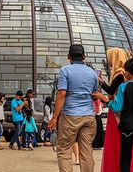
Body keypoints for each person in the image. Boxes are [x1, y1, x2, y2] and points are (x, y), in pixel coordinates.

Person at [94, 58, 133, 172]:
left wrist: (106, 100)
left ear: (126, 72)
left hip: (127, 127)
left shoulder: (123, 86)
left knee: (125, 158)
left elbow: (117, 107)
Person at [48, 44, 99, 172]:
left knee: (64, 150)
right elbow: (94, 95)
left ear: (68, 57)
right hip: (88, 116)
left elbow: (61, 94)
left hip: (70, 116)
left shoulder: (65, 71)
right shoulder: (93, 74)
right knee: (86, 151)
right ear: (84, 57)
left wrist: (54, 117)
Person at [99, 47, 133, 171]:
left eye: (110, 57)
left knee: (117, 141)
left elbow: (111, 90)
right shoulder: (125, 73)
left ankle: (116, 167)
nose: (109, 61)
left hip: (116, 111)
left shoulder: (120, 73)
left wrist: (101, 82)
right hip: (124, 111)